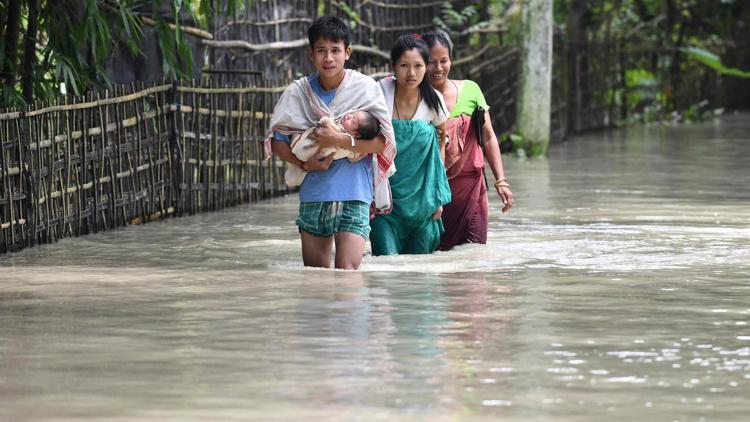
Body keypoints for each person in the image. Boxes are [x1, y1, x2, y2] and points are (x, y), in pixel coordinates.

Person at [267, 16, 396, 269]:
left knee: (348, 274)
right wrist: (305, 165)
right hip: (315, 194)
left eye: (335, 51)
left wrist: (338, 139)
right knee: (316, 278)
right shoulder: (298, 92)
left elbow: (383, 142)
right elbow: (276, 142)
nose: (328, 58)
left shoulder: (366, 88)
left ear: (347, 52)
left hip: (355, 195)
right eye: (321, 51)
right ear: (310, 54)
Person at [422, 31, 515, 251]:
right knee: (433, 256)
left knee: (473, 256)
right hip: (432, 194)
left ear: (451, 61)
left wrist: (500, 180)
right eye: (430, 62)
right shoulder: (414, 99)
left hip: (471, 190)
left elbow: (489, 136)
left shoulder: (470, 90)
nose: (438, 68)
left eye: (443, 61)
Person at [370, 34, 452, 256]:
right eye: (404, 65)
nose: (411, 73)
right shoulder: (379, 93)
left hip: (422, 202)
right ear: (393, 66)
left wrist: (436, 198)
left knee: (420, 278)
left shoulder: (434, 100)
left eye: (418, 66)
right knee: (386, 268)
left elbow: (441, 146)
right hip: (384, 200)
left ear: (426, 67)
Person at [285, 111, 380, 187]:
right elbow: (352, 159)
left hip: (303, 148)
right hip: (310, 158)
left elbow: (325, 121)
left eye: (352, 121)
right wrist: (361, 154)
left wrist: (325, 121)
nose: (349, 116)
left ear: (356, 135)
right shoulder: (351, 149)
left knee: (299, 135)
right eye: (352, 115)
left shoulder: (337, 130)